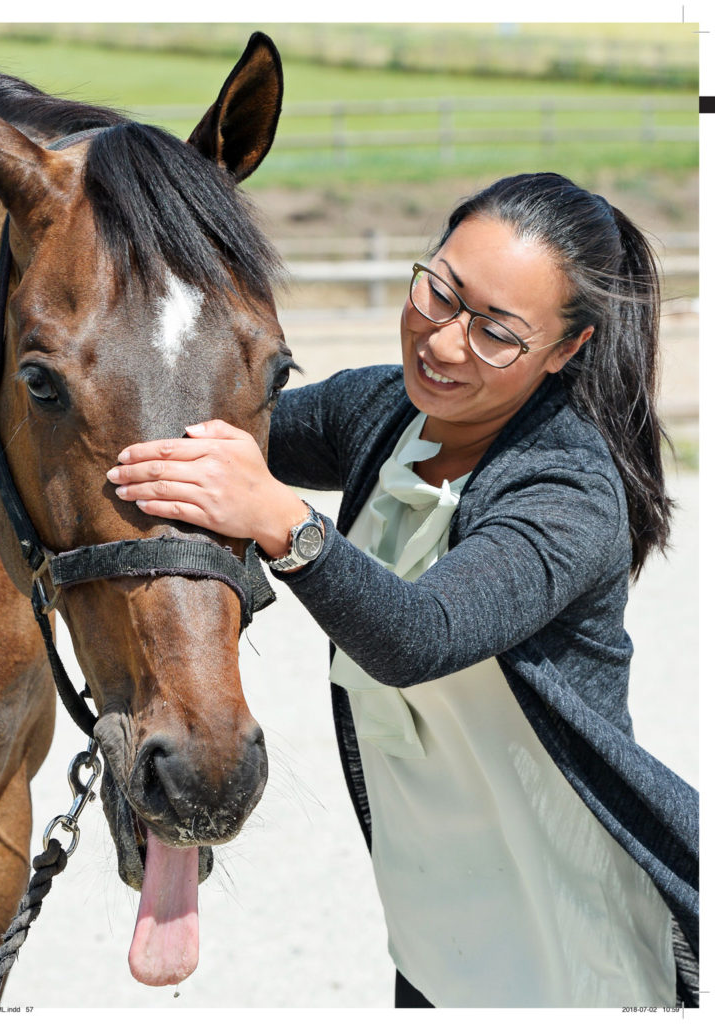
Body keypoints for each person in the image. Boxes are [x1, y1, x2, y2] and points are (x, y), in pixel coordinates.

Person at [105, 172, 698, 1008]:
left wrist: (287, 524)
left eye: (496, 332)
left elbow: (419, 636)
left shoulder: (565, 488)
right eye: (440, 291)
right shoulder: (384, 410)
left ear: (566, 351)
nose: (445, 342)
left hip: (569, 910)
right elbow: (210, 431)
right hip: (432, 907)